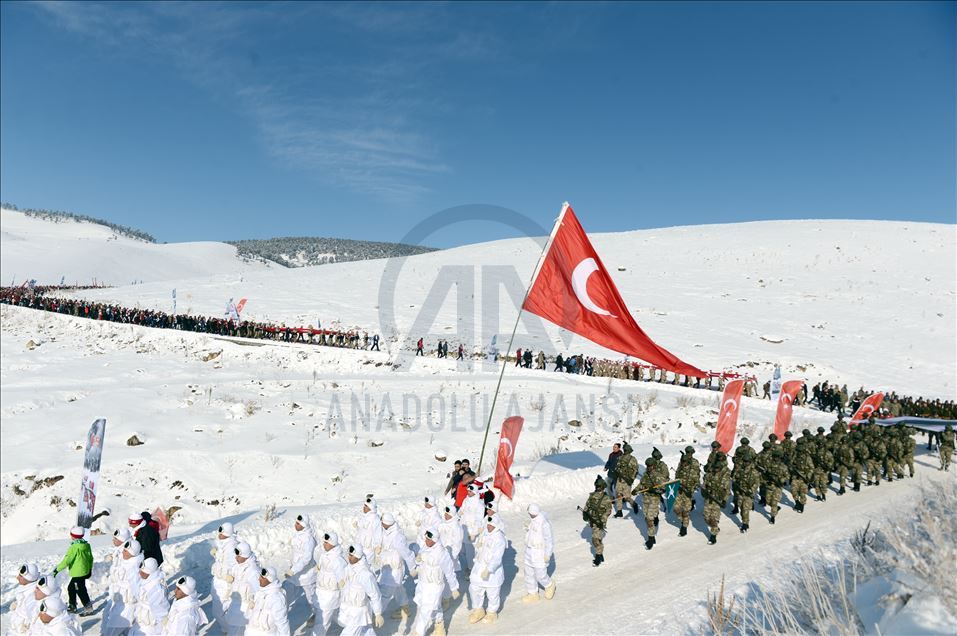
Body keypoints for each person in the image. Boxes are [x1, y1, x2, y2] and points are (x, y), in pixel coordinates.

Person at [411, 528, 460, 636]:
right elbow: (422, 563)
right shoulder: (425, 547)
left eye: (429, 539)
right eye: (426, 538)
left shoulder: (442, 553)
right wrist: (417, 565)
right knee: (432, 606)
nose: (426, 541)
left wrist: (454, 587)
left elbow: (449, 572)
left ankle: (418, 632)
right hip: (423, 583)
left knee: (426, 609)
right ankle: (439, 626)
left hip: (434, 586)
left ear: (435, 540)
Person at [468, 514, 507, 624]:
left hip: (491, 572)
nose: (489, 527)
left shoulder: (499, 539)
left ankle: (491, 612)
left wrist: (489, 569)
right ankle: (478, 609)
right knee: (474, 588)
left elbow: (497, 557)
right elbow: (479, 548)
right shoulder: (485, 533)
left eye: (492, 525)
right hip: (479, 568)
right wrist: (477, 543)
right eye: (488, 525)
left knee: (492, 593)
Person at [337, 545, 384, 635]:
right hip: (349, 608)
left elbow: (375, 594)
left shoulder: (365, 574)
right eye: (349, 555)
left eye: (352, 555)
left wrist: (378, 613)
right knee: (366, 631)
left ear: (358, 556)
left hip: (359, 611)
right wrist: (342, 581)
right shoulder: (349, 567)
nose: (349, 557)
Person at [377, 512, 416, 620]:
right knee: (398, 588)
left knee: (385, 593)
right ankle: (405, 608)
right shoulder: (386, 531)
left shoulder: (397, 537)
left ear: (387, 523)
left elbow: (407, 554)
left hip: (395, 570)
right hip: (387, 568)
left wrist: (412, 568)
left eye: (382, 522)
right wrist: (379, 547)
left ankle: (375, 615)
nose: (380, 523)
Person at [102, 539, 143, 636]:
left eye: (125, 551)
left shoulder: (134, 567)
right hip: (119, 602)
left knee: (115, 628)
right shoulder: (126, 561)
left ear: (132, 553)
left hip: (127, 605)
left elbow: (137, 588)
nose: (123, 552)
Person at [52, 527, 93, 615]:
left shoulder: (74, 547)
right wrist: (89, 569)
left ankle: (87, 607)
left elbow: (67, 560)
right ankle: (72, 605)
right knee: (72, 587)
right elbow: (90, 558)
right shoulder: (86, 545)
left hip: (78, 573)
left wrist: (57, 570)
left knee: (80, 590)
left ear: (73, 536)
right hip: (84, 571)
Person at [312, 532, 347, 636]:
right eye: (324, 542)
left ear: (332, 544)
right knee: (338, 617)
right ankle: (356, 627)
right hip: (321, 593)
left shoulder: (337, 560)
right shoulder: (324, 555)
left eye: (326, 542)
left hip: (330, 596)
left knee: (322, 623)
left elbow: (343, 582)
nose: (324, 544)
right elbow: (319, 562)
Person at [224, 541, 261, 635]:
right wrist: (231, 577)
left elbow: (258, 590)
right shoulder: (238, 565)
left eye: (238, 555)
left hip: (245, 607)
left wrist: (255, 602)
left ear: (245, 555)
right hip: (236, 603)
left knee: (239, 630)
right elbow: (235, 575)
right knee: (233, 627)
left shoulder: (253, 571)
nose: (236, 557)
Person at [521, 503, 555, 603]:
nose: (530, 515)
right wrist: (527, 528)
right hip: (529, 551)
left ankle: (549, 585)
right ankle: (532, 593)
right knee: (529, 573)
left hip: (539, 552)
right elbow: (532, 534)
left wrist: (547, 554)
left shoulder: (544, 523)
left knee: (540, 574)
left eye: (531, 513)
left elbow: (549, 540)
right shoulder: (532, 520)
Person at [286, 513, 318, 616]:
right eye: (296, 522)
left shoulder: (309, 539)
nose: (295, 525)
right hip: (296, 573)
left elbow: (306, 558)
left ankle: (316, 615)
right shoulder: (298, 535)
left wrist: (293, 570)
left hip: (306, 574)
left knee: (311, 598)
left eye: (298, 523)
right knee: (287, 591)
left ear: (303, 525)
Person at [131, 557, 169, 636]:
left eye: (142, 571)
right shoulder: (145, 581)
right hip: (140, 622)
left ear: (149, 572)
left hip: (150, 627)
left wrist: (160, 631)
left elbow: (161, 612)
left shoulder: (157, 589)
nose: (139, 572)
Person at [248, 567, 290, 636]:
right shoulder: (261, 592)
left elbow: (282, 623)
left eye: (262, 578)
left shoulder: (277, 598)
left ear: (270, 580)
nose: (259, 579)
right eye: (260, 576)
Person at [210, 522, 239, 623]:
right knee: (217, 608)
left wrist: (231, 576)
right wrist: (216, 553)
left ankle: (228, 629)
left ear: (227, 534)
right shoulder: (222, 544)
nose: (219, 535)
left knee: (224, 608)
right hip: (218, 580)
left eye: (221, 533)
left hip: (225, 582)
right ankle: (225, 628)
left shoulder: (232, 547)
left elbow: (234, 564)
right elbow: (222, 561)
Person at [702, 451, 731, 544]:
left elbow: (727, 490)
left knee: (714, 518)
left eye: (718, 468)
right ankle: (715, 528)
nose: (716, 469)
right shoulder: (709, 475)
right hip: (709, 499)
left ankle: (713, 536)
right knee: (706, 517)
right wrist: (704, 491)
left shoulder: (724, 478)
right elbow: (704, 485)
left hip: (718, 500)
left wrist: (724, 500)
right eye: (715, 468)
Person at [583, 476, 612, 566]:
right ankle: (601, 553)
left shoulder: (606, 498)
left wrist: (602, 521)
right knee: (598, 538)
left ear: (603, 487)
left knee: (595, 539)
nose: (598, 488)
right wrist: (585, 513)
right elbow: (587, 505)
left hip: (600, 521)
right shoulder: (592, 496)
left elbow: (608, 511)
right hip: (592, 520)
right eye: (597, 486)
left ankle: (598, 556)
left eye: (599, 486)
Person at [673, 447, 701, 537]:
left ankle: (684, 527)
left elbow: (696, 479)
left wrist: (691, 490)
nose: (688, 453)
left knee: (686, 510)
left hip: (689, 490)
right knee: (676, 508)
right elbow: (677, 474)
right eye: (687, 452)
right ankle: (683, 520)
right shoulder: (681, 463)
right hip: (680, 489)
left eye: (690, 452)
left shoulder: (694, 464)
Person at [9, 563, 41, 634]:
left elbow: (34, 616)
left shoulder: (34, 595)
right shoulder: (26, 586)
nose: (17, 577)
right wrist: (17, 605)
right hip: (17, 626)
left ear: (29, 578)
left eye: (20, 576)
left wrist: (26, 627)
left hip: (23, 629)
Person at [438, 505, 467, 581]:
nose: (445, 515)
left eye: (447, 514)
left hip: (451, 554)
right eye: (445, 513)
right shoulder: (443, 524)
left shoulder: (456, 527)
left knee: (450, 574)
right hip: (442, 551)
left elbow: (457, 543)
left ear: (452, 515)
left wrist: (453, 556)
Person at [612, 442, 639, 518]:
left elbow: (635, 470)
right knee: (618, 495)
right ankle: (619, 511)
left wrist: (631, 479)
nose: (625, 451)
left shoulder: (633, 459)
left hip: (627, 481)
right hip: (619, 479)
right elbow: (617, 468)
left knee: (627, 497)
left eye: (626, 450)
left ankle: (634, 504)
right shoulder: (620, 458)